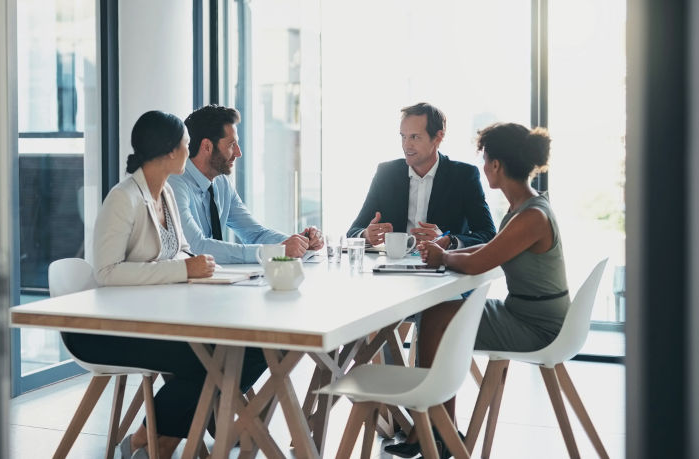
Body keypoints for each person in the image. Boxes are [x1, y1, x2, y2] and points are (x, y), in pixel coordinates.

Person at [60, 111, 267, 459]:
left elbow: (180, 249)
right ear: (171, 151)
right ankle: (153, 439)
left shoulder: (166, 194)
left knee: (254, 349)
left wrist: (204, 268)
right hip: (105, 331)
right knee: (209, 361)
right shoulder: (123, 199)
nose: (191, 152)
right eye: (187, 145)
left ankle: (155, 442)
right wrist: (183, 270)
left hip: (153, 318)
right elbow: (107, 273)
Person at [386, 122, 568, 459]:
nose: (484, 168)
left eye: (485, 160)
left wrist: (445, 256)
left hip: (537, 326)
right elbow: (490, 249)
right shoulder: (525, 208)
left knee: (439, 315)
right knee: (440, 312)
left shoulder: (531, 217)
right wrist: (447, 252)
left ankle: (433, 426)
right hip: (528, 312)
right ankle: (438, 425)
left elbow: (479, 263)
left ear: (496, 165)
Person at [169, 104, 323, 264]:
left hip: (216, 281)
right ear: (207, 146)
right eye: (231, 145)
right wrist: (277, 250)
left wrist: (300, 243)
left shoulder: (222, 183)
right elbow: (196, 247)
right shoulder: (175, 184)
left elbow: (255, 234)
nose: (238, 153)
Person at [347, 102, 495, 250]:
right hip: (393, 268)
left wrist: (449, 240)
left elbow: (488, 234)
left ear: (438, 137)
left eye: (415, 137)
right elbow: (353, 231)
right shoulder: (386, 173)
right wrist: (365, 235)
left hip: (444, 269)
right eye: (403, 137)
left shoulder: (464, 176)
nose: (406, 145)